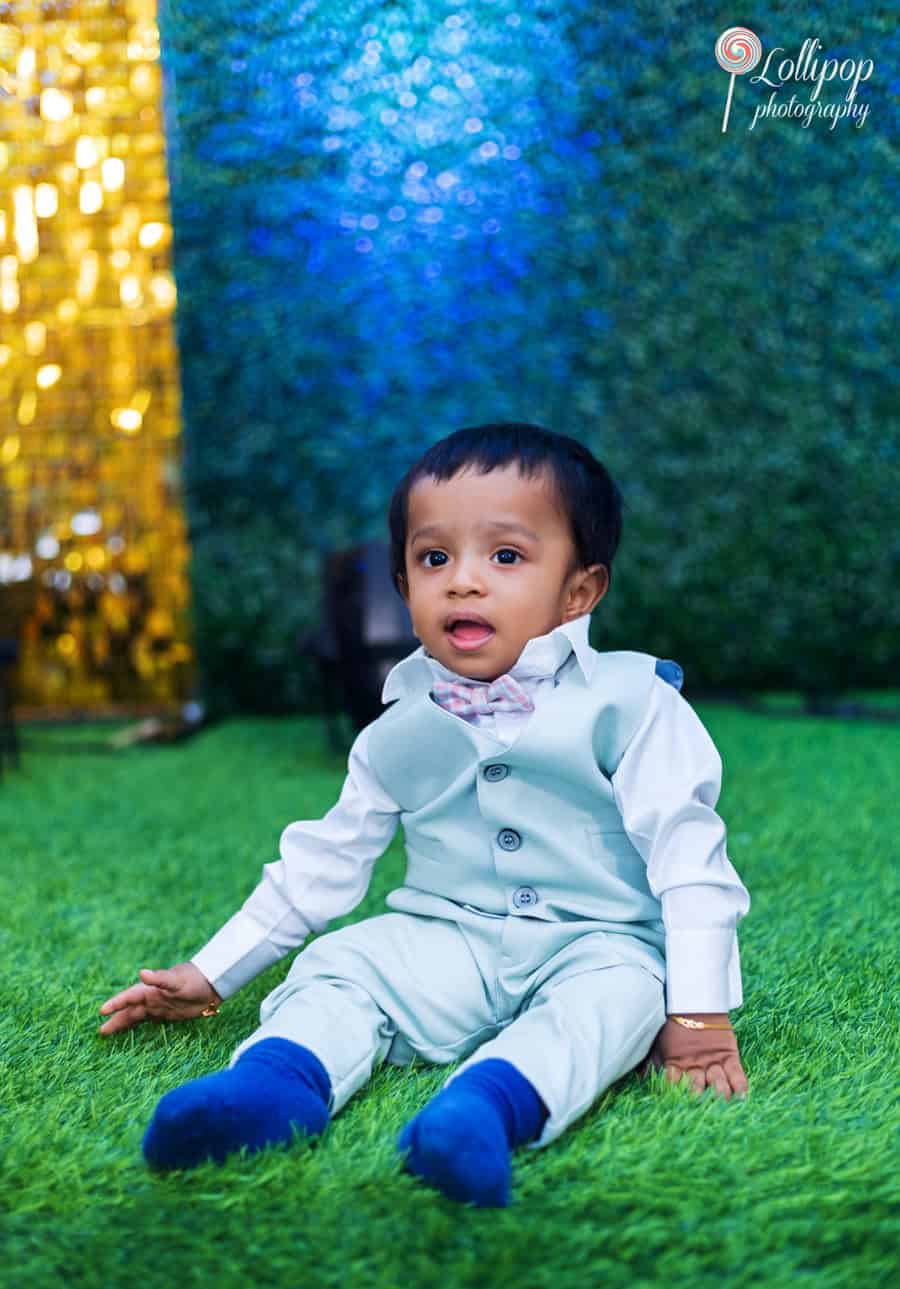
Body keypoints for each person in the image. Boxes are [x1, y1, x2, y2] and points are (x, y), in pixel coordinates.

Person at [98, 422, 751, 1208]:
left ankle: (484, 1109)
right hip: (449, 938)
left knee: (617, 1004)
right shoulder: (396, 727)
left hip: (598, 942)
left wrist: (700, 1013)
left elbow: (690, 862)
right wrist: (211, 971)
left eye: (505, 556)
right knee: (343, 966)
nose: (463, 581)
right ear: (405, 589)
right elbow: (324, 862)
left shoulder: (636, 703)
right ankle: (272, 1085)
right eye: (433, 558)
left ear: (580, 590)